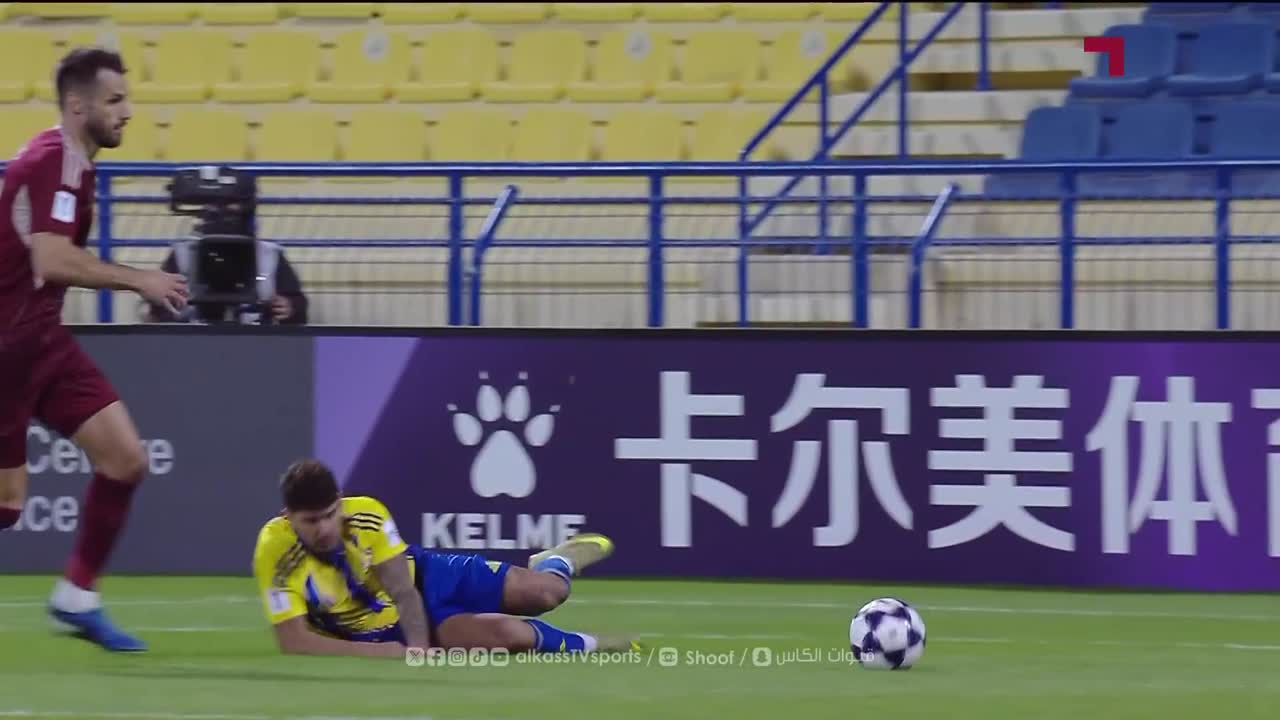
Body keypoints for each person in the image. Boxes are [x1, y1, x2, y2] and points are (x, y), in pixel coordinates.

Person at [0, 47, 189, 652]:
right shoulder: (52, 161)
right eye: (115, 100)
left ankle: (77, 597)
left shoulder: (75, 164)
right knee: (8, 504)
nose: (127, 111)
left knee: (126, 460)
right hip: (6, 347)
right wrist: (140, 279)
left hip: (41, 341)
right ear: (78, 106)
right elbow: (53, 259)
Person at [252, 459, 638, 658]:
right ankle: (591, 644)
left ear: (340, 501)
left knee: (546, 592)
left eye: (329, 514)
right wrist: (392, 651)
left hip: (426, 576)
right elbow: (293, 641)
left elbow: (403, 590)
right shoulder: (275, 548)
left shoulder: (368, 514)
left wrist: (418, 649)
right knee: (510, 637)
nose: (323, 528)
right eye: (311, 521)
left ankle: (555, 562)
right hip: (382, 628)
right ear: (288, 516)